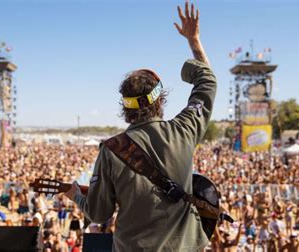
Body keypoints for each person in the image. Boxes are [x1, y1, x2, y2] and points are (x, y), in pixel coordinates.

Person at [65, 1, 216, 250]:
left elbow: (99, 214)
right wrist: (194, 41)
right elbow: (207, 82)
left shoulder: (111, 150)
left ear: (126, 107)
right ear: (161, 99)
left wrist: (77, 196)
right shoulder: (184, 130)